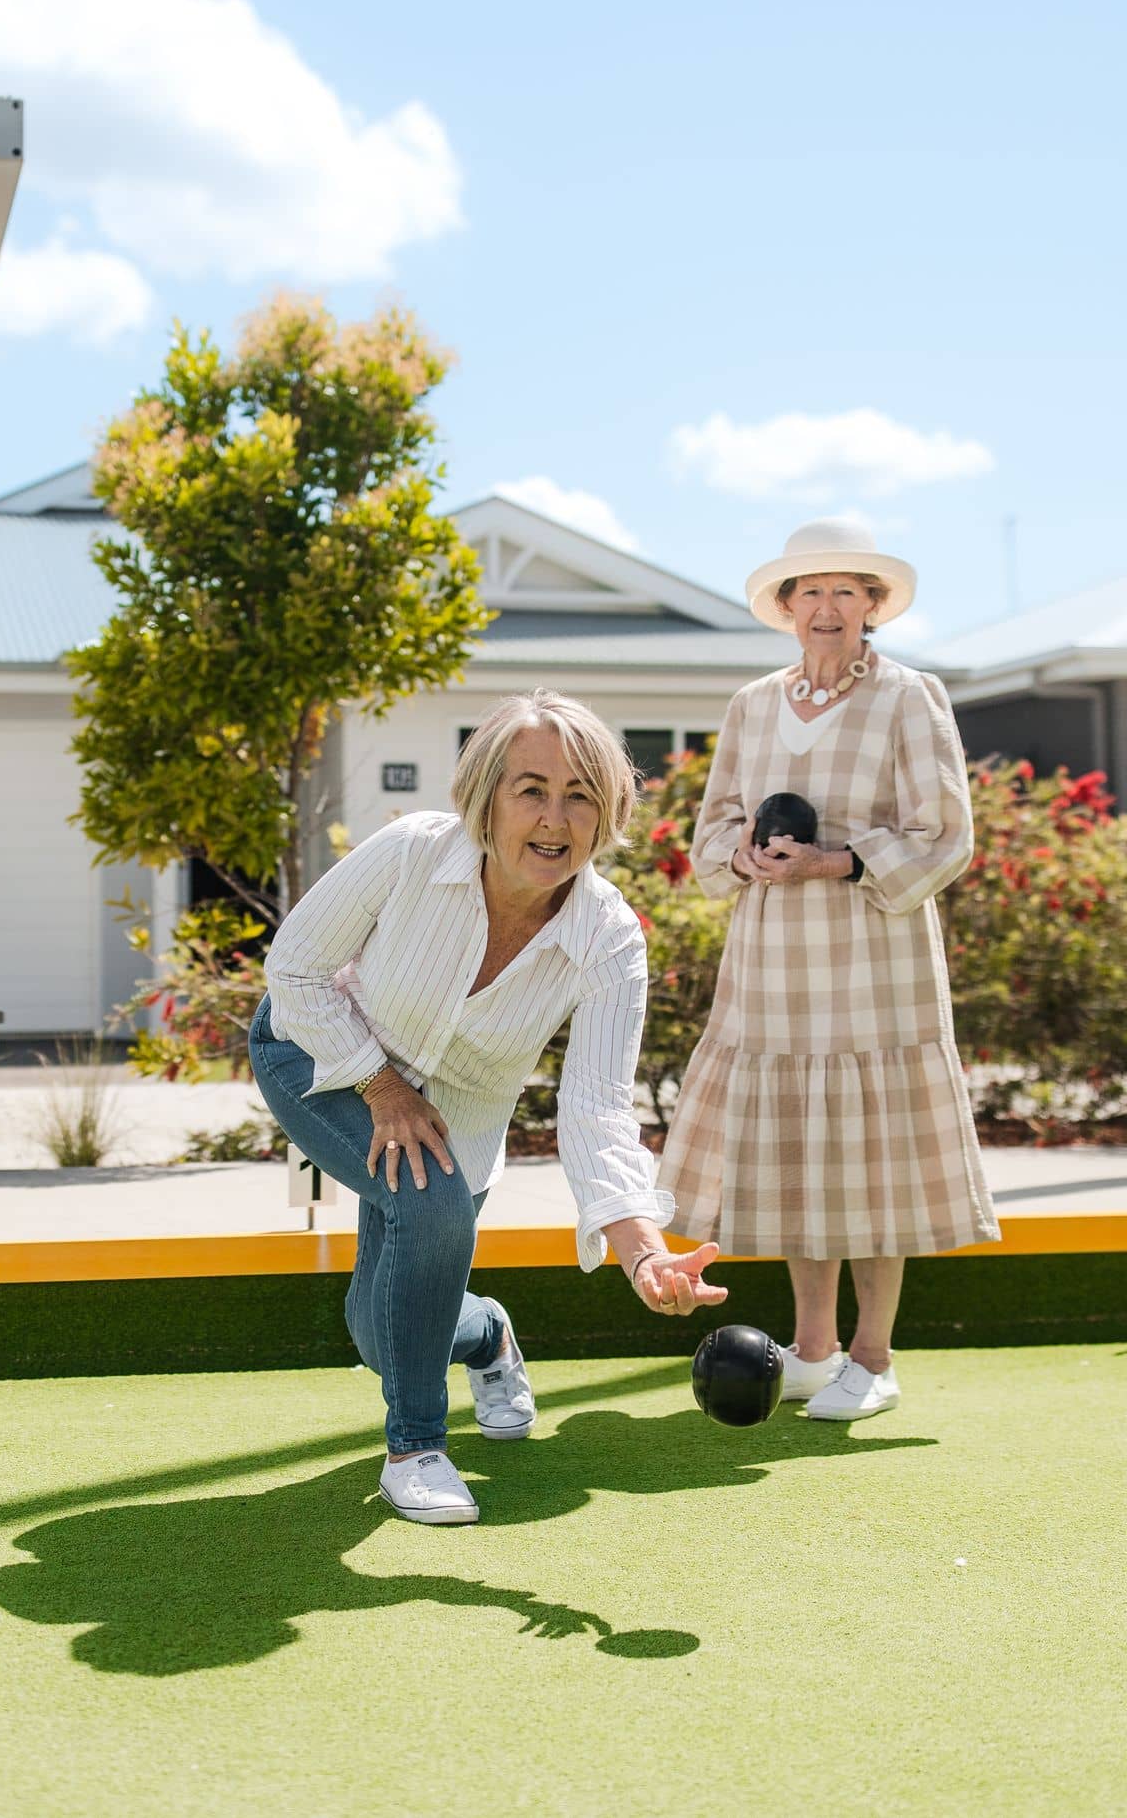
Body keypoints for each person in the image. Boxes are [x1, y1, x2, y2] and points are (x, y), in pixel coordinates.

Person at [255, 689, 727, 1527]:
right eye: (531, 788)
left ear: (607, 810)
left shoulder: (609, 936)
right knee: (432, 1209)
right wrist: (381, 1085)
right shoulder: (410, 853)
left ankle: (484, 1335)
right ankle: (417, 1449)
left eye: (581, 793)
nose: (555, 817)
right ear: (486, 795)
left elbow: (596, 1106)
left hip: (459, 1114)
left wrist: (644, 1252)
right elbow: (292, 969)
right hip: (321, 1051)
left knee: (380, 1330)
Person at [657, 518, 998, 1422]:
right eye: (809, 591)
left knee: (869, 1162)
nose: (827, 607)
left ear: (873, 607)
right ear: (786, 607)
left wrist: (838, 860)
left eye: (847, 591)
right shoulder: (751, 703)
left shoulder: (910, 696)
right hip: (773, 965)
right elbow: (710, 833)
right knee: (801, 1158)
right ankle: (813, 1350)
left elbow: (946, 836)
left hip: (872, 963)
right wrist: (751, 857)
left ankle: (874, 1358)